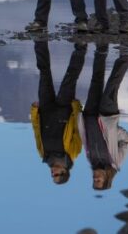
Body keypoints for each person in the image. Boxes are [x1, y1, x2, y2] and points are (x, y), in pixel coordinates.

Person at [30, 40, 86, 185]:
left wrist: (35, 111)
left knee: (44, 72)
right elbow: (78, 130)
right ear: (64, 171)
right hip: (64, 109)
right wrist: (77, 107)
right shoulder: (73, 153)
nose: (52, 173)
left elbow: (37, 131)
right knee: (71, 77)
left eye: (52, 175)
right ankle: (81, 46)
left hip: (45, 109)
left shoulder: (44, 154)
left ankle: (40, 40)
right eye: (56, 175)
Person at [78, 44, 128, 191]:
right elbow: (127, 142)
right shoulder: (115, 162)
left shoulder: (91, 160)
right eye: (99, 180)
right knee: (112, 85)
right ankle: (125, 54)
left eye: (94, 180)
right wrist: (115, 130)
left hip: (89, 115)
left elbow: (85, 139)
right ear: (107, 179)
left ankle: (101, 49)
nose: (95, 178)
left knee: (95, 80)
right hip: (107, 116)